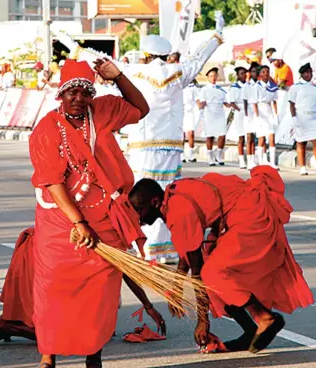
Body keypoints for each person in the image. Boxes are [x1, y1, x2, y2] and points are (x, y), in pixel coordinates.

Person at [54, 13, 224, 262]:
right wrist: (217, 36)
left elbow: (98, 58)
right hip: (171, 145)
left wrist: (73, 46)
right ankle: (167, 248)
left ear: (145, 54)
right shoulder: (179, 72)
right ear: (166, 55)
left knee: (138, 198)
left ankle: (142, 247)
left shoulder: (133, 70)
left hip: (142, 144)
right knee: (166, 197)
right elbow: (200, 57)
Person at [28, 58, 150, 368]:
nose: (79, 98)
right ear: (61, 94)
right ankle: (48, 358)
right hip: (61, 221)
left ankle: (94, 358)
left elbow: (141, 108)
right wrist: (78, 223)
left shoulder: (105, 111)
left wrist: (119, 77)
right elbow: (52, 182)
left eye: (85, 92)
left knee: (99, 293)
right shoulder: (46, 129)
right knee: (53, 288)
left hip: (104, 218)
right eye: (72, 92)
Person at [128, 169, 315, 353]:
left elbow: (197, 269)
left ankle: (265, 318)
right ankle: (250, 330)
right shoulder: (171, 200)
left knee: (213, 272)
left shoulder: (178, 210)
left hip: (249, 215)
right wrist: (176, 288)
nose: (137, 217)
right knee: (212, 264)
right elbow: (187, 250)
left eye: (139, 210)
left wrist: (203, 321)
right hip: (238, 214)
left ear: (154, 202)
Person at [0, 228, 167, 346]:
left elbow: (124, 267)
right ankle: (10, 326)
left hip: (65, 260)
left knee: (101, 331)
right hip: (50, 255)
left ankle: (22, 323)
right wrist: (148, 307)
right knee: (76, 338)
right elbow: (124, 270)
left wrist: (148, 306)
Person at [289, 63, 316, 176]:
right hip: (301, 116)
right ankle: (302, 167)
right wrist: (294, 118)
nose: (308, 74)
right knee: (301, 142)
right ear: (302, 74)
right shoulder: (295, 87)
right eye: (306, 72)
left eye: (310, 72)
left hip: (314, 117)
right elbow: (292, 104)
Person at [198, 67, 231, 166]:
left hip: (219, 113)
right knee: (210, 136)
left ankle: (219, 155)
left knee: (222, 135)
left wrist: (234, 105)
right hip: (209, 114)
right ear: (208, 77)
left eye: (215, 76)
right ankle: (211, 158)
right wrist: (200, 105)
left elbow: (226, 103)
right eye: (211, 76)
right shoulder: (204, 89)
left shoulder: (221, 89)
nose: (213, 78)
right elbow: (202, 103)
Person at [252, 65, 279, 168]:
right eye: (263, 72)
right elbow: (254, 102)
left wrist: (276, 114)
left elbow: (274, 101)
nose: (266, 74)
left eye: (267, 71)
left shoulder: (272, 86)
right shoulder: (257, 86)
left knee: (272, 137)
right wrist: (257, 116)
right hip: (260, 110)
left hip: (269, 111)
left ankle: (272, 162)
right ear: (259, 74)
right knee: (261, 138)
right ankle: (261, 161)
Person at [227, 67, 249, 169]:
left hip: (249, 111)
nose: (243, 75)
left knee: (249, 136)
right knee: (241, 137)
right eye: (241, 73)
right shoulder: (234, 87)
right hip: (239, 111)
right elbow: (231, 102)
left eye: (245, 73)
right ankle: (241, 160)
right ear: (238, 75)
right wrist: (240, 110)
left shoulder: (249, 86)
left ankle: (250, 159)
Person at [243, 63, 261, 169]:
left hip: (259, 112)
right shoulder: (247, 85)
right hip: (249, 112)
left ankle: (254, 158)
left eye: (257, 71)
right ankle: (249, 160)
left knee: (255, 137)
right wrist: (246, 114)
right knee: (249, 137)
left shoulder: (260, 85)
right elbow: (245, 100)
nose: (255, 73)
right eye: (253, 71)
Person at [182, 79, 199, 163]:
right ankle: (182, 155)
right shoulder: (178, 85)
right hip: (180, 111)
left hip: (190, 112)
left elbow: (197, 99)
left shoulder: (192, 87)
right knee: (181, 134)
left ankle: (191, 154)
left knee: (191, 133)